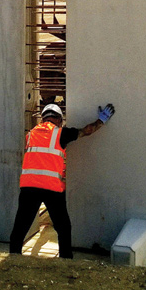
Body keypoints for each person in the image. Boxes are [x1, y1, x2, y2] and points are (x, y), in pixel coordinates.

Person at [8, 102, 116, 258]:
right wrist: (101, 121)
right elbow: (86, 131)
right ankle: (65, 260)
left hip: (29, 187)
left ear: (43, 119)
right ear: (58, 120)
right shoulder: (60, 134)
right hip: (51, 188)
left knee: (20, 227)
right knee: (63, 227)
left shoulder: (30, 135)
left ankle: (13, 259)